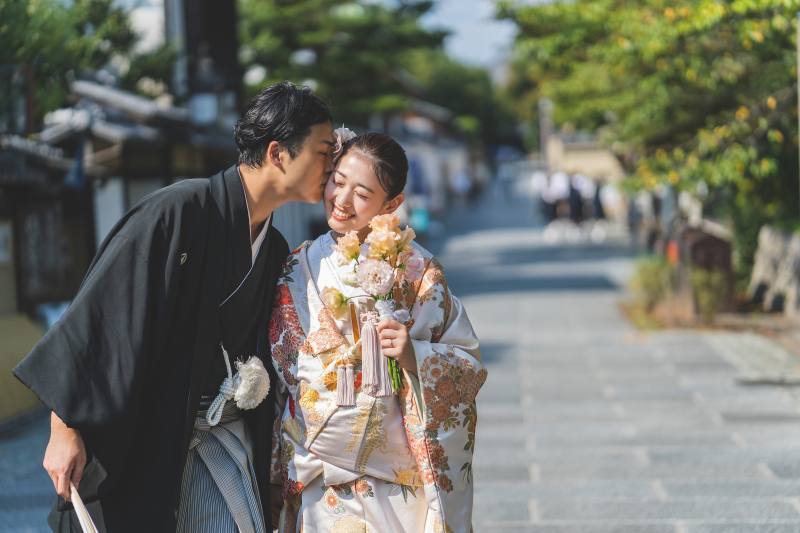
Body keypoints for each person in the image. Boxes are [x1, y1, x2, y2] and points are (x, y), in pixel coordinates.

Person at [12, 82, 334, 532]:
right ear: (279, 153)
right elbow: (99, 319)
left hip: (225, 440)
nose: (332, 165)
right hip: (148, 437)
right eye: (324, 151)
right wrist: (64, 431)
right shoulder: (177, 211)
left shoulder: (275, 248)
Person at [267, 132, 487, 532]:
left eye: (362, 193)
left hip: (396, 472)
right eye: (338, 180)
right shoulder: (299, 265)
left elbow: (467, 363)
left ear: (393, 204)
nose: (342, 199)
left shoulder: (418, 270)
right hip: (321, 465)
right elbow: (282, 360)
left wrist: (414, 356)